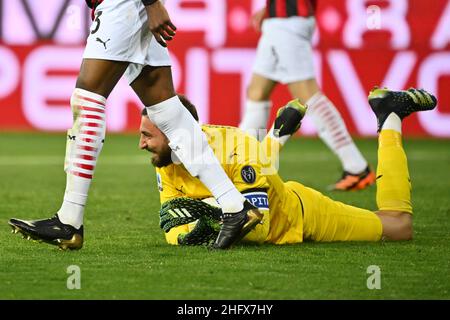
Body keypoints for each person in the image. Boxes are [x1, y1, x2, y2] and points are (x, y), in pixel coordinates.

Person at [8, 0, 260, 250]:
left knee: (87, 100)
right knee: (167, 111)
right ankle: (234, 206)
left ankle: (69, 221)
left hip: (125, 4)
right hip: (131, 6)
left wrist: (152, 4)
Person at [139, 87, 436, 246]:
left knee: (398, 226)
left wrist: (206, 217)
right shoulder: (165, 159)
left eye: (147, 136)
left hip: (302, 214)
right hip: (262, 182)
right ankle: (276, 137)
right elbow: (172, 221)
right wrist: (185, 234)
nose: (141, 144)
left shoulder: (234, 145)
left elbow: (258, 223)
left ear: (176, 133)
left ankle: (391, 117)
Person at [239, 0, 375, 191]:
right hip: (280, 19)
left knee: (308, 95)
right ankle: (245, 162)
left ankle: (357, 167)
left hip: (288, 23)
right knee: (257, 91)